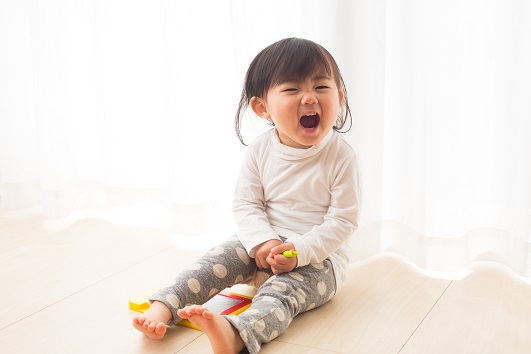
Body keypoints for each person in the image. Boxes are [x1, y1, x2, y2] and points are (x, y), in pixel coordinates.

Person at [132, 37, 361, 354]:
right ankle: (164, 304)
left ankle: (238, 334)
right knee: (213, 262)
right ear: (261, 107)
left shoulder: (341, 156)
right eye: (292, 90)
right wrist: (263, 242)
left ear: (339, 96)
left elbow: (343, 221)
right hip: (262, 243)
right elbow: (247, 204)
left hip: (318, 260)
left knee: (281, 295)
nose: (309, 98)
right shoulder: (261, 150)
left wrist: (299, 250)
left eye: (322, 87)